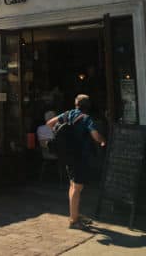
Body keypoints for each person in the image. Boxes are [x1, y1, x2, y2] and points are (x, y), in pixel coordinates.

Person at [47, 94, 106, 229]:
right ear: (88, 106)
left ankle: (74, 214)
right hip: (80, 155)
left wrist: (62, 135)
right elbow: (95, 135)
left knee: (73, 185)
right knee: (78, 187)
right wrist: (103, 141)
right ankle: (74, 221)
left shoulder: (68, 114)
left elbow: (49, 123)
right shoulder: (86, 118)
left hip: (68, 155)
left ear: (76, 105)